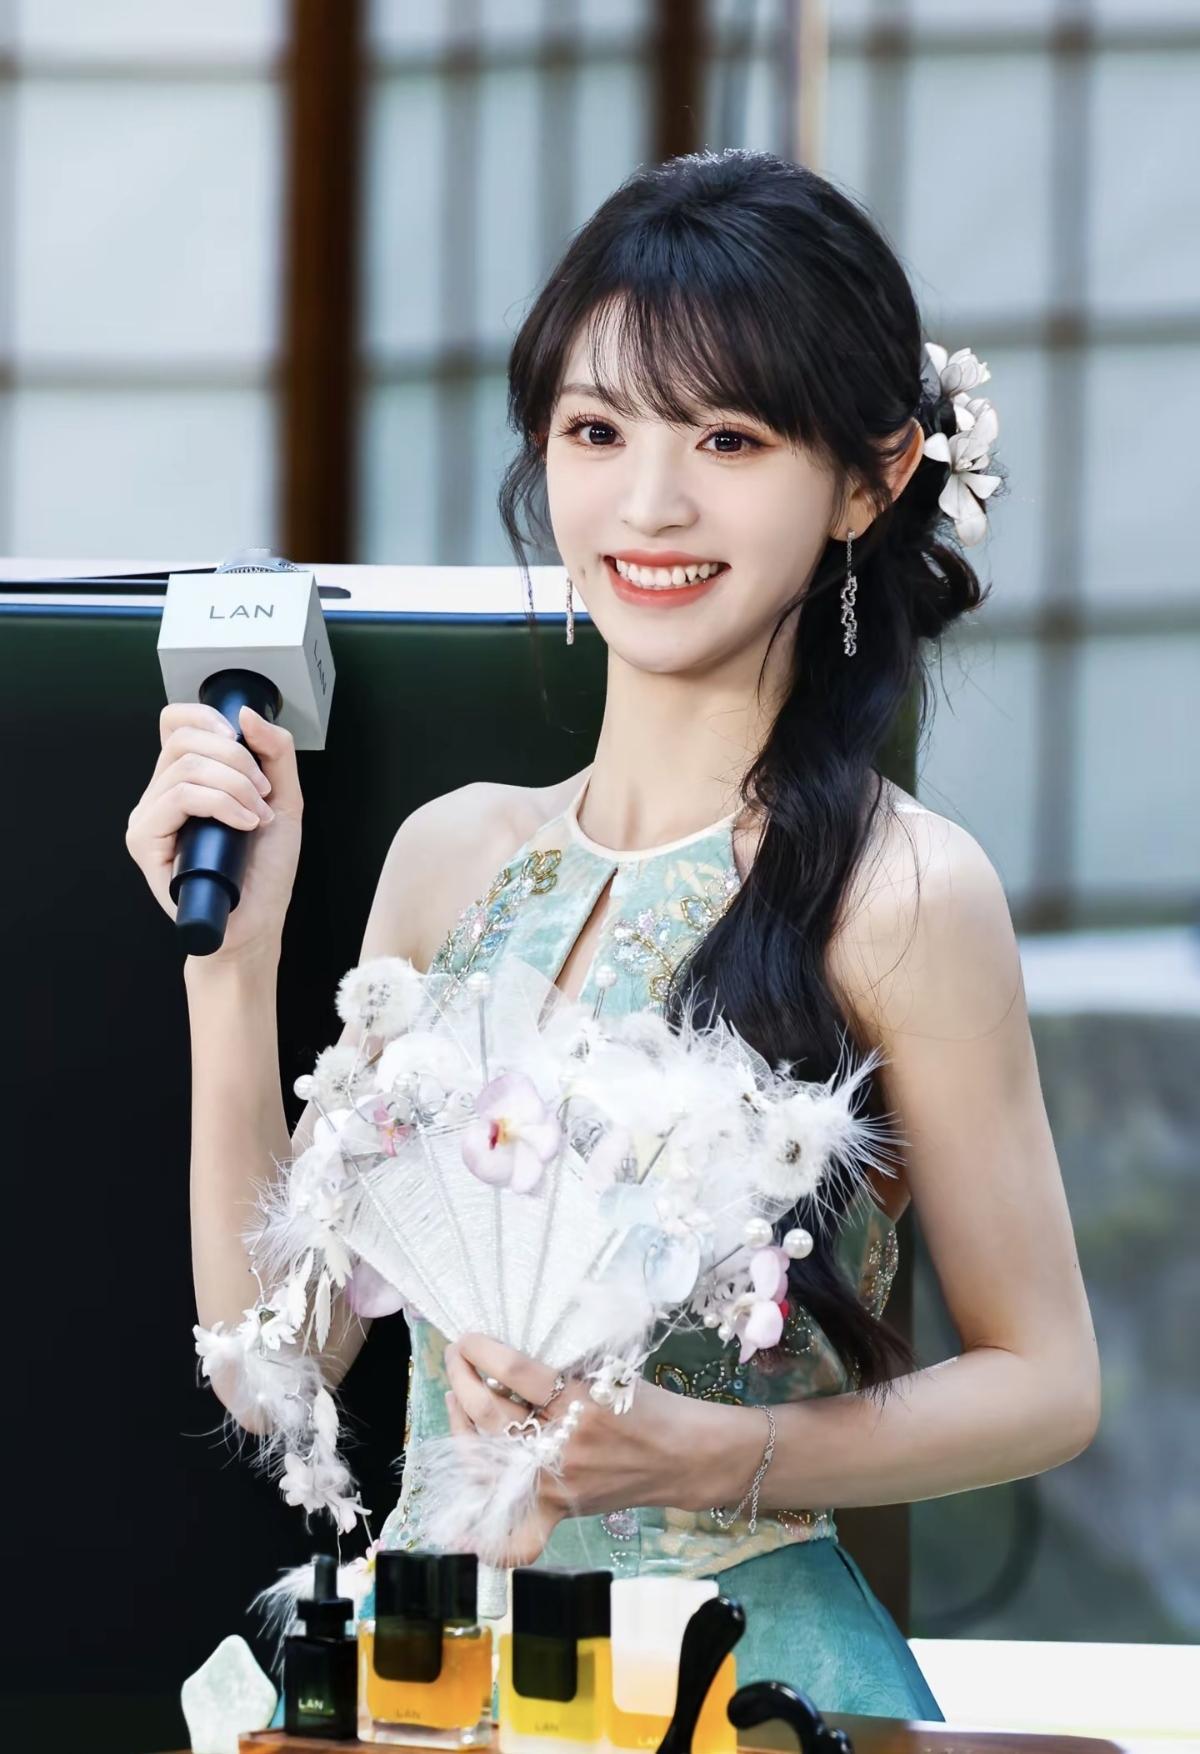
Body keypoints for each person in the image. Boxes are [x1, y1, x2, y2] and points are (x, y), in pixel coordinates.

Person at [126, 149, 1101, 1722]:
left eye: (728, 438)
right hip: (432, 1671)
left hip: (736, 1675)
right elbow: (275, 1365)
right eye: (598, 431)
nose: (650, 503)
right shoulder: (451, 856)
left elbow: (1048, 1382)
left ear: (870, 479)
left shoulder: (903, 889)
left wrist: (714, 1451)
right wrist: (234, 966)